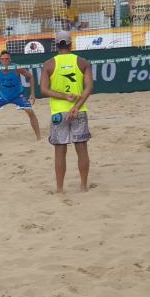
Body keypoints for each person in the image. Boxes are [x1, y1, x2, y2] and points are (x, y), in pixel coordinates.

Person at [40, 30, 93, 193]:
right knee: (81, 148)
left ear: (56, 45)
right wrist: (76, 106)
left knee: (60, 151)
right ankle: (83, 186)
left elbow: (43, 90)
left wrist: (63, 96)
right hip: (79, 110)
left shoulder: (49, 64)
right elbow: (89, 88)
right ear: (70, 44)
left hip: (58, 112)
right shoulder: (82, 62)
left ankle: (60, 188)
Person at [0, 50, 41, 141]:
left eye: (7, 59)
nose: (5, 60)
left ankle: (39, 137)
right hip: (3, 96)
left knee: (30, 112)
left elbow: (30, 77)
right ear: (0, 60)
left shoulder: (16, 68)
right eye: (3, 59)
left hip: (18, 95)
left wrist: (32, 93)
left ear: (10, 60)